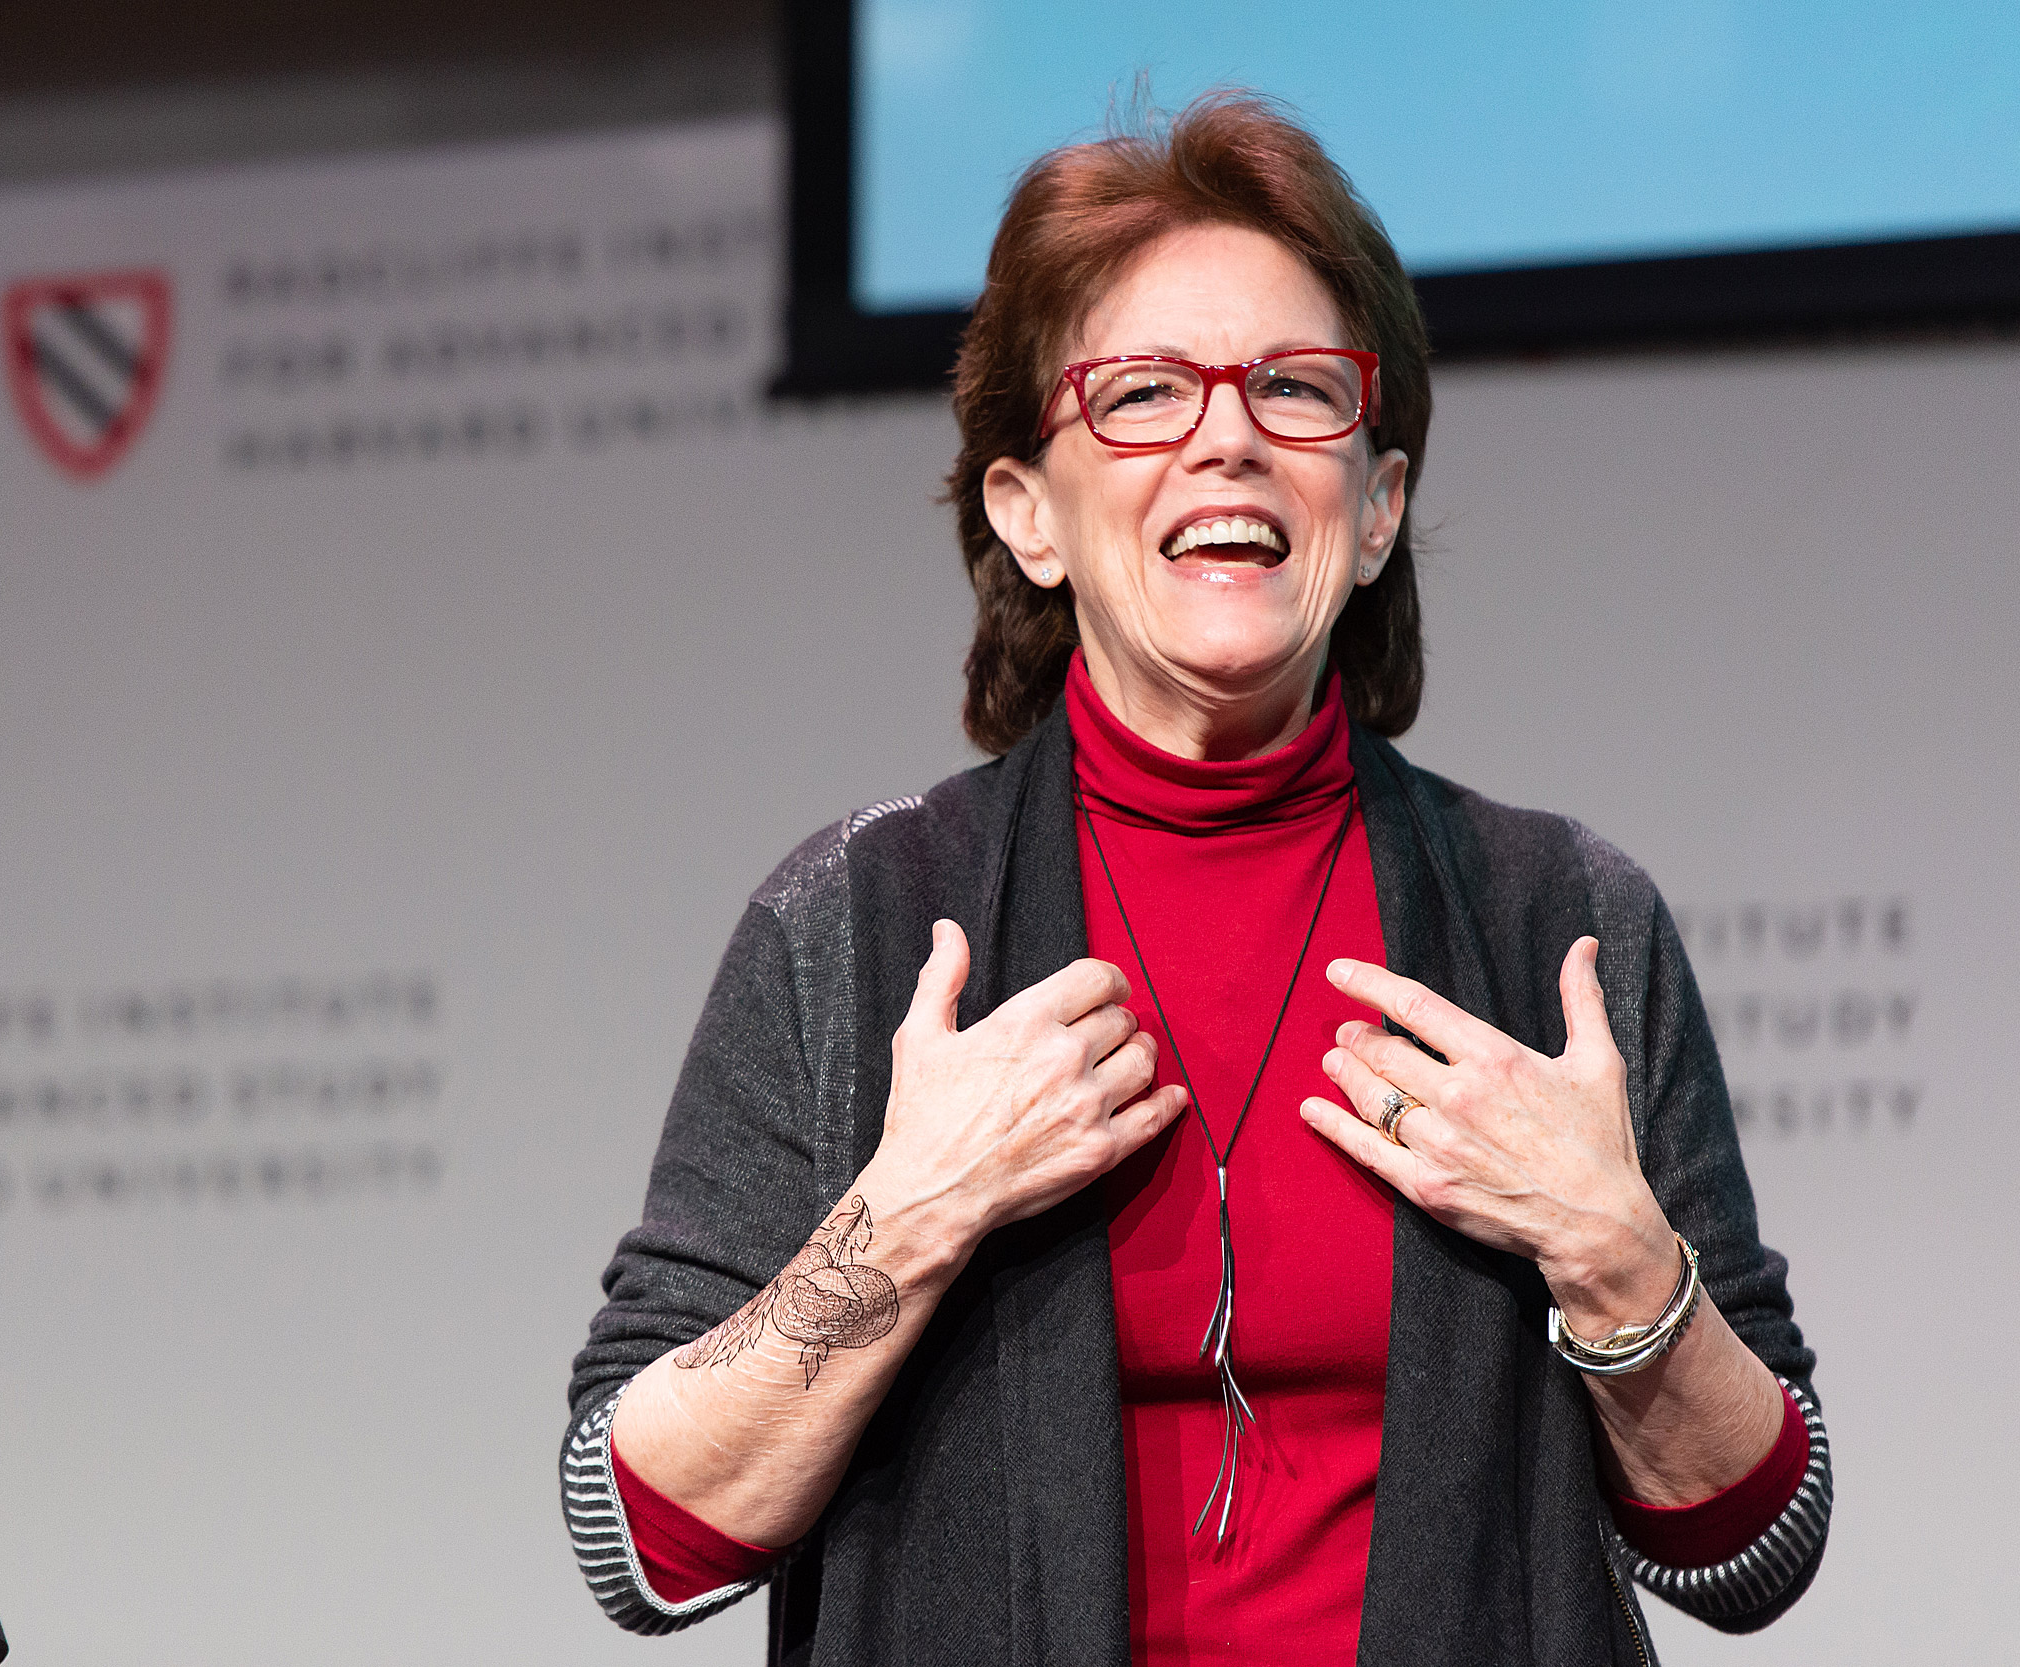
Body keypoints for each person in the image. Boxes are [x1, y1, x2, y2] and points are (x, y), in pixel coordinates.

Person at [565, 93, 1829, 1666]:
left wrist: (1617, 1256)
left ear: (1373, 513)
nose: (1227, 436)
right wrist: (907, 1215)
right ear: (1029, 514)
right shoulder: (859, 924)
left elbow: (1754, 1543)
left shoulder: (1554, 920)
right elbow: (638, 1535)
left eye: (1296, 390)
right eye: (1145, 393)